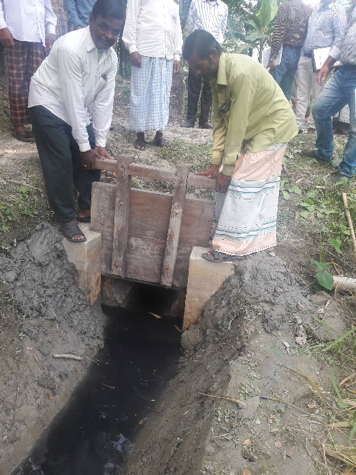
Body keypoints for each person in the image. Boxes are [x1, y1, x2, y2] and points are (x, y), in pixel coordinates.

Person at [183, 30, 298, 262]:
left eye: (199, 65)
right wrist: (216, 163)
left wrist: (227, 168)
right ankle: (234, 235)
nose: (196, 71)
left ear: (213, 55)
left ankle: (229, 249)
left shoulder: (240, 73)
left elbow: (237, 124)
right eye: (193, 67)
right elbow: (220, 121)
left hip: (272, 127)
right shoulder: (215, 77)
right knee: (234, 176)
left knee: (243, 179)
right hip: (254, 131)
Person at [28, 0, 124, 242]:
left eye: (115, 31)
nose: (108, 35)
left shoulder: (111, 58)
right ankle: (67, 218)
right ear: (91, 19)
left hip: (76, 108)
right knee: (60, 158)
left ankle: (86, 208)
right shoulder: (71, 47)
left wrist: (98, 142)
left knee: (93, 152)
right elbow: (72, 98)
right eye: (103, 27)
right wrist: (83, 147)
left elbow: (103, 102)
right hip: (48, 102)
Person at [302, 0, 356, 183]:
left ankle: (347, 170)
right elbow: (342, 38)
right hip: (344, 70)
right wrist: (327, 64)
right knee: (319, 109)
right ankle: (324, 152)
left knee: (355, 127)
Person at [122, 0, 183, 150]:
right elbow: (131, 18)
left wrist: (177, 55)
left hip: (166, 52)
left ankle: (159, 135)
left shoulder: (173, 2)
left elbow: (177, 27)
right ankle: (140, 135)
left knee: (162, 95)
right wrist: (132, 48)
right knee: (141, 93)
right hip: (144, 49)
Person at [0, 0, 57, 142]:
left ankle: (39, 122)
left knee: (39, 82)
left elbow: (48, 10)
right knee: (17, 80)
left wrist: (51, 30)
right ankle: (19, 125)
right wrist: (2, 27)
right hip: (15, 34)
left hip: (38, 37)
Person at [291, 0, 347, 133]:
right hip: (305, 56)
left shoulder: (338, 10)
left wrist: (328, 63)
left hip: (322, 60)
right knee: (301, 94)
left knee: (318, 94)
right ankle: (297, 125)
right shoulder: (315, 11)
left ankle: (312, 126)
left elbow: (339, 39)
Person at [181, 0, 228, 129]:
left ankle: (204, 121)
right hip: (197, 52)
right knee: (193, 86)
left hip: (211, 54)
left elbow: (222, 29)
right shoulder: (196, 3)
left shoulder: (223, 7)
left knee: (210, 88)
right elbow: (191, 26)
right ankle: (190, 119)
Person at [268, 0, 311, 100]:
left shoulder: (285, 7)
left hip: (283, 53)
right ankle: (284, 115)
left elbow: (278, 34)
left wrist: (273, 56)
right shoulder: (308, 11)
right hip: (297, 55)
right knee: (285, 92)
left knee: (270, 89)